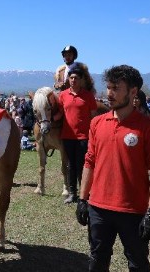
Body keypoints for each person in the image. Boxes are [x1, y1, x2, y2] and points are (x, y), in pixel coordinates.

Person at [76, 65, 150, 272]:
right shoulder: (97, 123)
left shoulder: (148, 127)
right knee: (97, 260)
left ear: (133, 92)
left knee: (138, 263)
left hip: (133, 210)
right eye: (108, 87)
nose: (109, 93)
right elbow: (89, 161)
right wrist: (83, 199)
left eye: (115, 88)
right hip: (98, 208)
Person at [55, 67, 98, 204]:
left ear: (81, 80)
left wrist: (94, 134)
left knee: (82, 165)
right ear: (68, 79)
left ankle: (84, 194)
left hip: (84, 137)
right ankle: (73, 193)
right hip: (67, 136)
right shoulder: (63, 95)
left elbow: (93, 117)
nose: (73, 80)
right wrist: (47, 119)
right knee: (71, 165)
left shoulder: (88, 96)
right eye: (71, 78)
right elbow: (60, 114)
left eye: (76, 78)